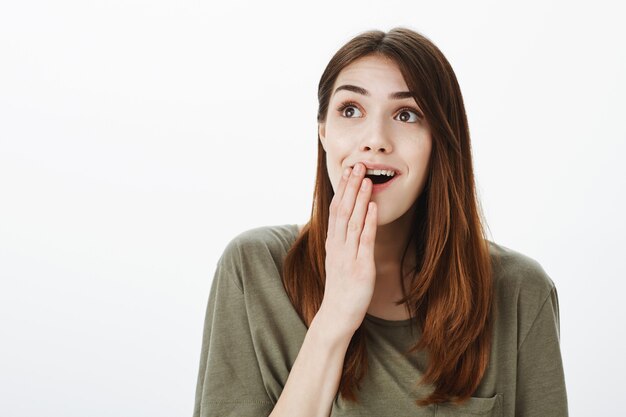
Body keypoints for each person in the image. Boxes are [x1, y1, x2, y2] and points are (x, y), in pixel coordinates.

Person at [192, 27, 568, 417]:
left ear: (441, 139)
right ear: (323, 133)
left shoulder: (521, 291)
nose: (375, 140)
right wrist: (335, 316)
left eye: (406, 114)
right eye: (350, 110)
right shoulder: (254, 268)